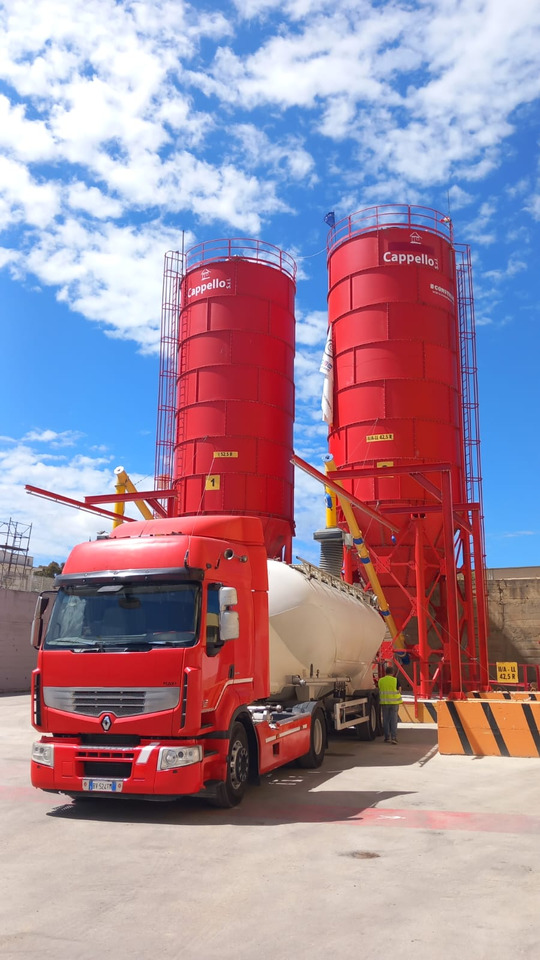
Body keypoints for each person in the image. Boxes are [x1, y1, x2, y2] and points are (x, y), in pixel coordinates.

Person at [378, 664, 402, 744]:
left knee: (386, 720)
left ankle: (387, 737)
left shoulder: (381, 680)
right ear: (393, 673)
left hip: (384, 703)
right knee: (394, 720)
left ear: (385, 672)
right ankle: (394, 738)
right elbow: (399, 690)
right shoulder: (395, 680)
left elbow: (379, 689)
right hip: (394, 703)